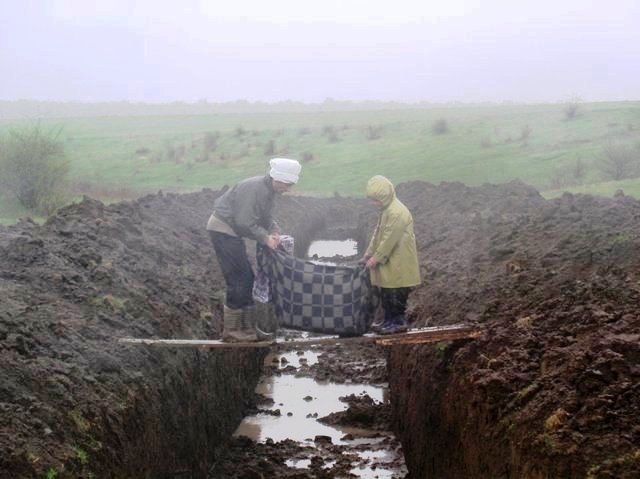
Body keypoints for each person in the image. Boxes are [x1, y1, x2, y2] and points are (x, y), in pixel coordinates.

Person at [207, 158, 302, 342]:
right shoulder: (255, 188)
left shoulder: (267, 190)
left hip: (232, 233)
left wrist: (273, 230)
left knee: (247, 278)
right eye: (288, 185)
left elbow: (265, 216)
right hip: (223, 231)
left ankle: (249, 329)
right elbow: (245, 221)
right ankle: (232, 331)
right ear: (279, 179)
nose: (289, 189)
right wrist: (265, 238)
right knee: (238, 279)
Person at [363, 175, 421, 335]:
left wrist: (377, 257)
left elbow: (390, 239)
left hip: (399, 262)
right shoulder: (386, 209)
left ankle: (398, 322)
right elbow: (378, 232)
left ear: (384, 196)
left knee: (396, 295)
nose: (373, 203)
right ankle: (388, 321)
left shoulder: (397, 212)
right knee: (387, 294)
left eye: (375, 200)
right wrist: (369, 252)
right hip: (391, 263)